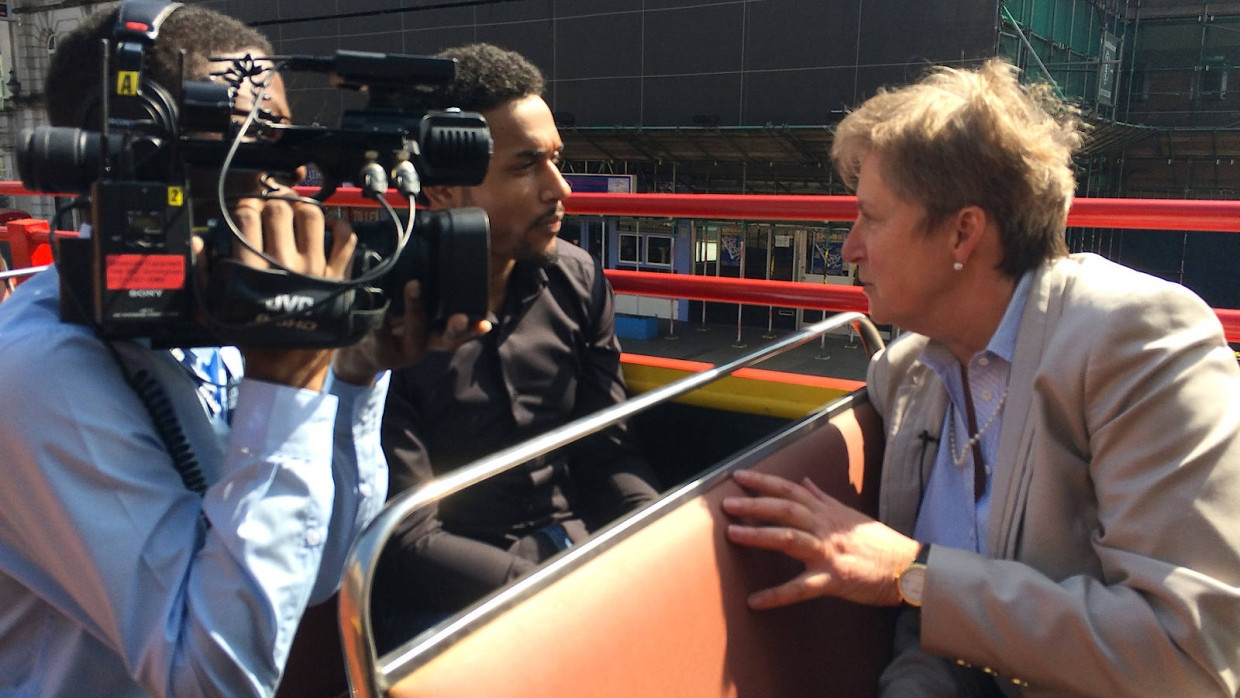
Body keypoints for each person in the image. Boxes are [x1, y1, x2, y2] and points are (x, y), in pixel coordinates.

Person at [0, 4, 483, 696]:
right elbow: (213, 676)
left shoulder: (217, 313)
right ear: (129, 152)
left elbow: (313, 575)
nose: (285, 181)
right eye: (248, 147)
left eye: (288, 146)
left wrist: (345, 374)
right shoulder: (39, 373)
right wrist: (284, 389)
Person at [722, 58, 1240, 696]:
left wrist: (916, 576)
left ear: (964, 233)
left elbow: (1187, 652)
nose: (850, 247)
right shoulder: (910, 375)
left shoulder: (1140, 340)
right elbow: (936, 643)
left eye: (872, 217)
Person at [374, 43, 661, 646]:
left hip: (569, 559)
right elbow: (401, 538)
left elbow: (608, 450)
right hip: (444, 604)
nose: (561, 189)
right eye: (526, 166)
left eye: (557, 159)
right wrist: (552, 587)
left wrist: (657, 531)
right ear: (445, 191)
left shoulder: (577, 277)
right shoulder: (382, 311)